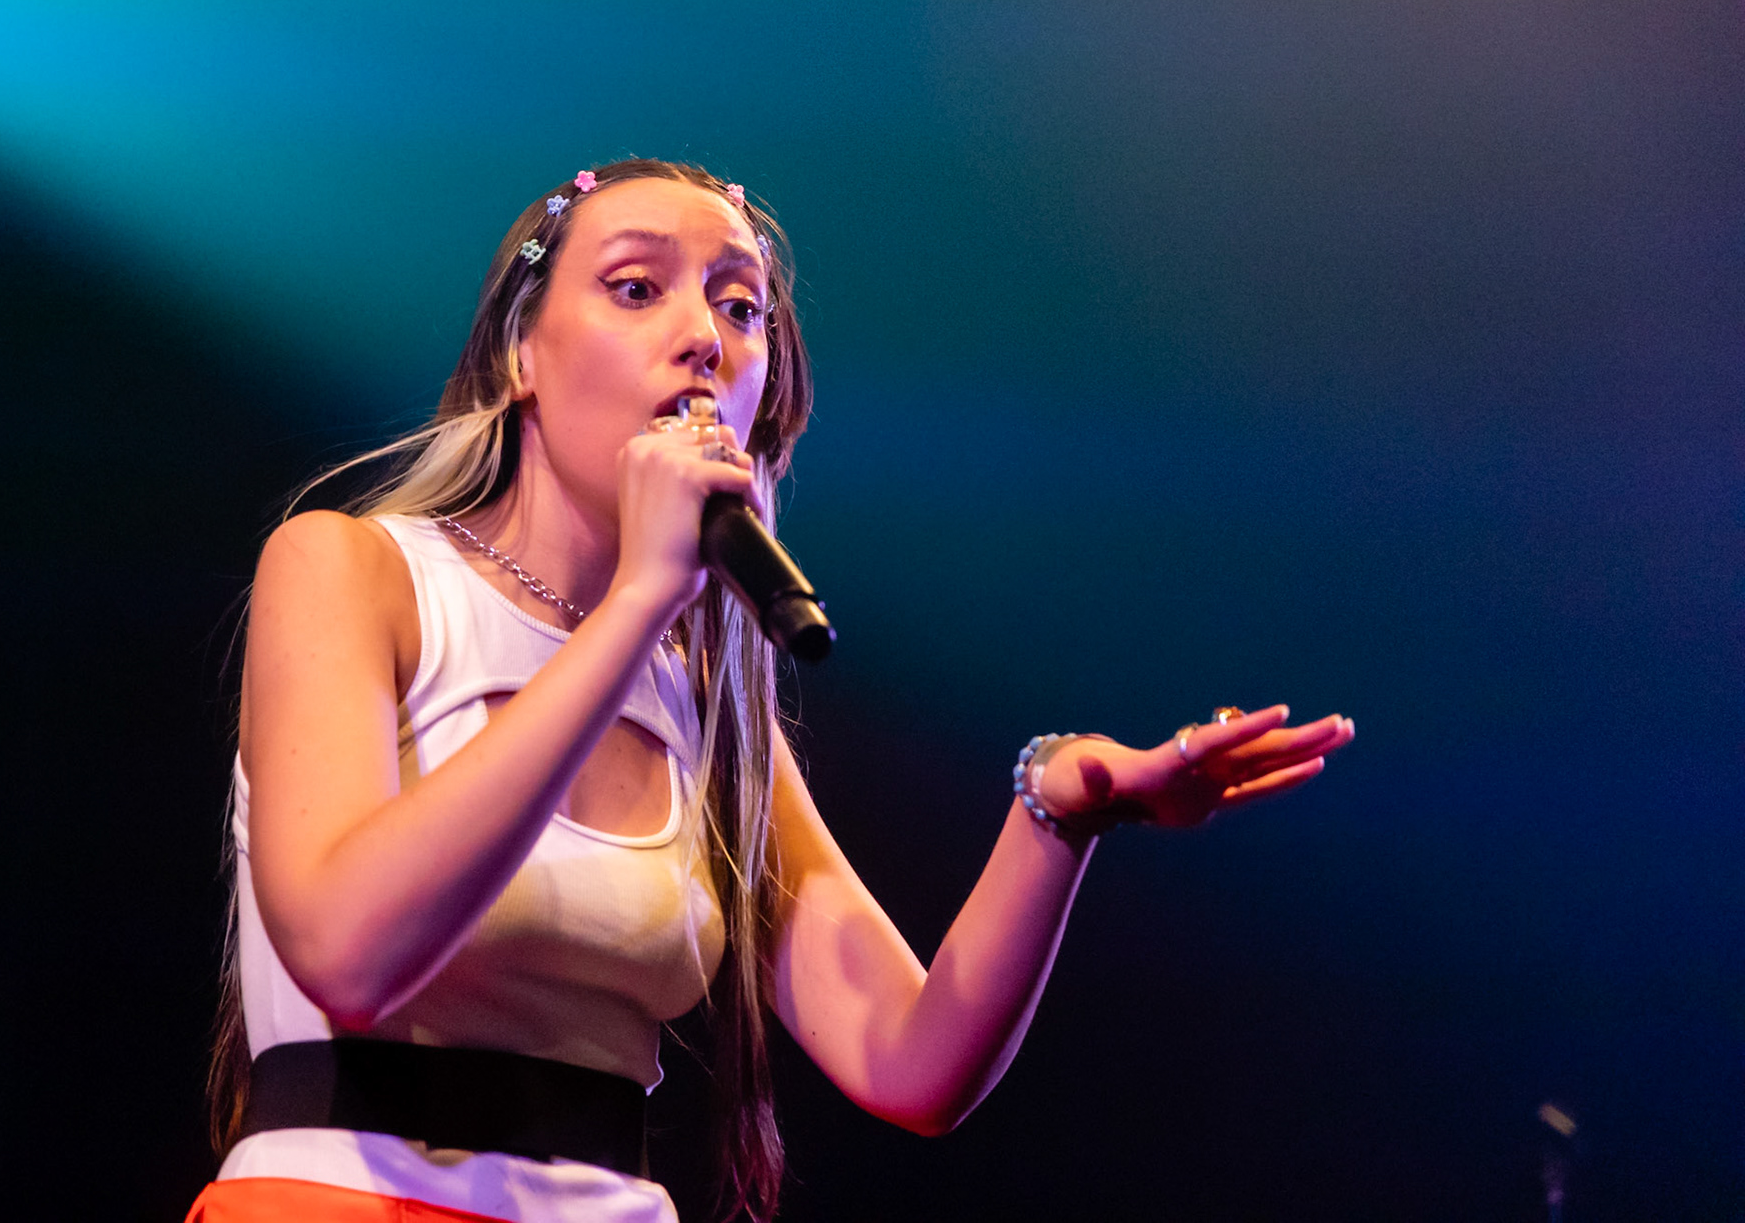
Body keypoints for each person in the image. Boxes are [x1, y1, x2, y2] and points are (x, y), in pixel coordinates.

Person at [185, 158, 1355, 1223]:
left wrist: (1059, 815)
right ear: (519, 354)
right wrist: (645, 597)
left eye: (740, 307)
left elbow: (910, 1063)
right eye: (639, 288)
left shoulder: (705, 703)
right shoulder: (356, 567)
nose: (705, 336)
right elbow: (345, 945)